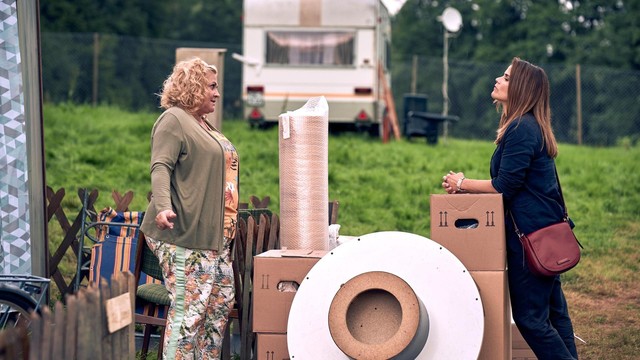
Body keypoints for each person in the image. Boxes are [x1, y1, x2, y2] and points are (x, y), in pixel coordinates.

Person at [441, 57, 579, 360]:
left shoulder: (521, 128)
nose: (497, 79)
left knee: (531, 320)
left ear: (520, 88)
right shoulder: (527, 126)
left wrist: (463, 183)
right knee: (554, 314)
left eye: (505, 77)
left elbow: (504, 186)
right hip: (544, 231)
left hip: (530, 236)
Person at [140, 57, 238, 360]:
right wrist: (163, 207)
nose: (217, 93)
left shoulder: (202, 124)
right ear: (194, 86)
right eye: (212, 86)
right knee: (189, 312)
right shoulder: (173, 119)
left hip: (214, 238)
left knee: (219, 305)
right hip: (183, 233)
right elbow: (160, 167)